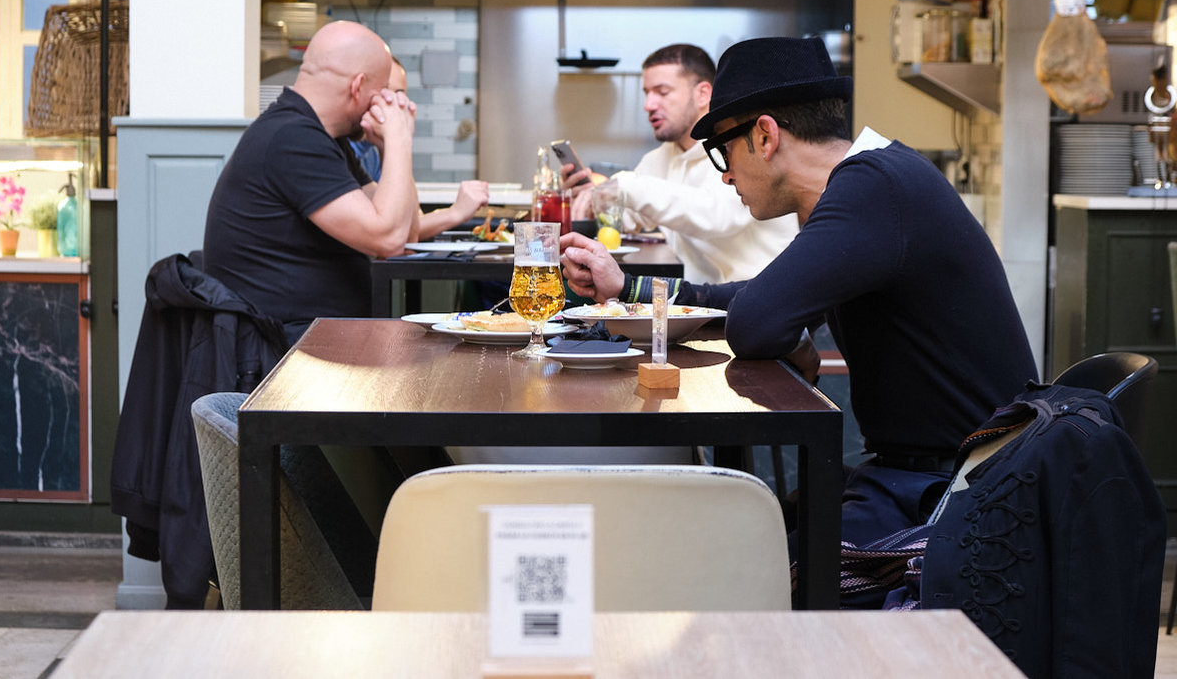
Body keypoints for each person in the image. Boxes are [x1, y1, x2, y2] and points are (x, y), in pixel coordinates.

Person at [562, 36, 1038, 594]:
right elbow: (760, 298)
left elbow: (758, 320)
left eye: (722, 150)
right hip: (926, 474)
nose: (724, 175)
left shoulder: (873, 190)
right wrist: (632, 286)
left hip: (959, 497)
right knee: (724, 537)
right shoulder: (874, 180)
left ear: (765, 135)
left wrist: (782, 330)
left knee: (730, 578)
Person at [203, 20, 419, 341]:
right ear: (357, 87)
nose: (383, 103)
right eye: (382, 93)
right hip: (285, 353)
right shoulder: (292, 138)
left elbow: (405, 235)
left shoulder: (324, 138)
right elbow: (387, 239)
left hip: (321, 339)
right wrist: (400, 137)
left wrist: (390, 149)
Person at [566, 43, 797, 284]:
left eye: (662, 92)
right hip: (703, 303)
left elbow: (717, 216)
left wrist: (623, 185)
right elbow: (632, 217)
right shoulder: (662, 157)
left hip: (764, 299)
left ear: (703, 94)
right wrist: (590, 196)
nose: (648, 104)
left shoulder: (741, 147)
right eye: (647, 93)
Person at [353, 56, 491, 241]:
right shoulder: (344, 149)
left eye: (400, 94)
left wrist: (393, 144)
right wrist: (455, 213)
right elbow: (392, 234)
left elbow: (409, 223)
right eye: (384, 92)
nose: (394, 103)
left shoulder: (375, 149)